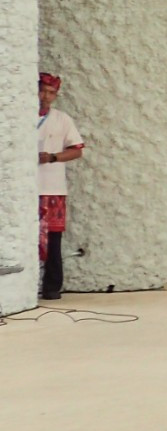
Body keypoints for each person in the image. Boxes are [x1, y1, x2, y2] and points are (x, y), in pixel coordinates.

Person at [36, 72, 84, 300]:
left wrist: (53, 157)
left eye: (51, 92)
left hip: (53, 187)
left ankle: (52, 287)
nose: (45, 96)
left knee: (54, 239)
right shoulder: (19, 115)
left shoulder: (61, 119)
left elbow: (77, 149)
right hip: (28, 188)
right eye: (42, 90)